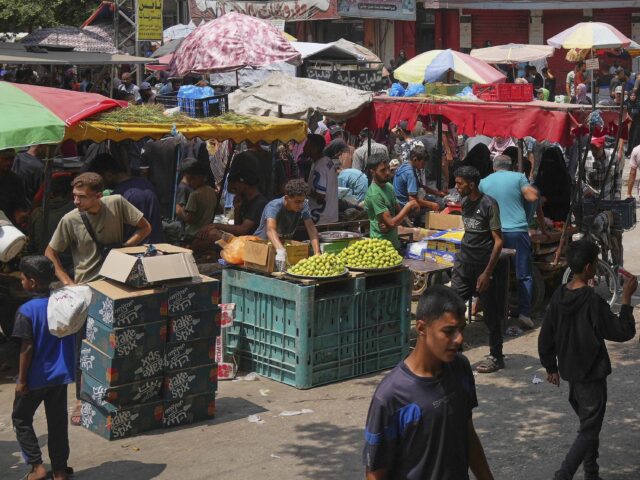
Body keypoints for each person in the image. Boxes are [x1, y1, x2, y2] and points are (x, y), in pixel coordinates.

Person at [363, 285, 494, 480]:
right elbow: (375, 473)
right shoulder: (391, 396)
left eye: (461, 329)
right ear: (422, 328)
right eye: (449, 331)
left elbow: (466, 431)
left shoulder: (461, 369)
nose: (459, 339)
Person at [538, 239, 637, 480]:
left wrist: (551, 366)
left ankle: (592, 473)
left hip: (572, 373)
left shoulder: (559, 297)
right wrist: (626, 299)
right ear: (589, 268)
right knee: (589, 430)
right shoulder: (593, 303)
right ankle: (563, 474)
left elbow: (545, 337)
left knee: (588, 426)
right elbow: (622, 331)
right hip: (591, 375)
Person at [11, 256, 75, 480]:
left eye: (23, 278)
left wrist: (21, 380)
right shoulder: (62, 305)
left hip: (35, 378)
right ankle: (59, 471)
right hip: (59, 377)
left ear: (33, 282)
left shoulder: (26, 311)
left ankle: (37, 467)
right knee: (58, 423)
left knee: (20, 418)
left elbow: (26, 349)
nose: (21, 281)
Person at [451, 166, 506, 373]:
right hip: (464, 264)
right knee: (453, 305)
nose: (456, 187)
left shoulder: (489, 204)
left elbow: (499, 242)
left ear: (471, 184)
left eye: (459, 183)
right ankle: (455, 352)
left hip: (484, 267)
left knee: (491, 314)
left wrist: (487, 273)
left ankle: (497, 356)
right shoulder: (464, 202)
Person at [480, 155, 540, 328]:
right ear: (511, 166)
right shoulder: (519, 177)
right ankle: (524, 314)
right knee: (524, 274)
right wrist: (528, 216)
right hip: (517, 231)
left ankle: (494, 312)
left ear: (494, 167)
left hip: (494, 232)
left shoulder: (484, 182)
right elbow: (532, 198)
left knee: (493, 272)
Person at [88, 153, 164, 244]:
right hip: (157, 246)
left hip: (134, 251)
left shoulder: (118, 197)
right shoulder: (146, 184)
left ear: (108, 175)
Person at [193, 169, 268, 249]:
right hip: (241, 239)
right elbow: (237, 226)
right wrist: (237, 209)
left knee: (213, 233)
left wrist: (216, 225)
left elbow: (242, 230)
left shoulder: (259, 203)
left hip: (251, 243)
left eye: (235, 186)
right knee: (201, 240)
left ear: (243, 184)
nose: (233, 190)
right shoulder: (245, 200)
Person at [364, 144, 418, 249]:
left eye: (388, 168)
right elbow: (392, 222)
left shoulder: (388, 186)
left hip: (394, 243)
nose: (387, 173)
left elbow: (398, 213)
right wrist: (408, 206)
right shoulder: (374, 193)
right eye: (383, 170)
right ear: (373, 172)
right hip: (380, 246)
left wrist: (393, 225)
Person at [253, 179, 321, 255]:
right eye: (297, 202)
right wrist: (280, 250)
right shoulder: (274, 206)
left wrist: (317, 253)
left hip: (282, 248)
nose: (301, 205)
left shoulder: (303, 205)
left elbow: (311, 228)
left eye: (302, 201)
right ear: (286, 198)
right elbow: (270, 229)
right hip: (261, 248)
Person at [29, 174, 75, 258]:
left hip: (42, 259)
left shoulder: (37, 213)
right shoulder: (75, 210)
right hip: (67, 262)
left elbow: (31, 244)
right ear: (71, 192)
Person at [393, 144, 442, 217]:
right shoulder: (410, 174)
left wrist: (438, 193)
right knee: (438, 207)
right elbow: (412, 200)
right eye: (423, 163)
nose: (423, 166)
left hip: (399, 203)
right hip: (403, 207)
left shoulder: (406, 165)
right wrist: (431, 204)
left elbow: (421, 185)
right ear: (415, 159)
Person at [177, 159, 217, 242]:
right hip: (206, 231)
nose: (191, 182)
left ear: (201, 178)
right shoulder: (211, 191)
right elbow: (218, 209)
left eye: (193, 178)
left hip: (194, 234)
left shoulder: (195, 195)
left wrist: (179, 210)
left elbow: (189, 219)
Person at [304, 134, 339, 225]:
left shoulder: (320, 166)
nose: (304, 147)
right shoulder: (327, 161)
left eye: (307, 144)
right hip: (330, 216)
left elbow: (320, 195)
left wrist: (305, 191)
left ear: (315, 148)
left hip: (321, 218)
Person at [534, 146, 571, 222]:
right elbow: (537, 186)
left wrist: (547, 199)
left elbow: (565, 198)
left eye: (551, 161)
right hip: (544, 216)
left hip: (560, 217)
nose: (548, 165)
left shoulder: (564, 177)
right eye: (546, 161)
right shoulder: (542, 174)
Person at [0, 148, 29, 227]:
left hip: (8, 227)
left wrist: (20, 215)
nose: (9, 162)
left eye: (11, 159)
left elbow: (19, 206)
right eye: (5, 159)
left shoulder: (15, 180)